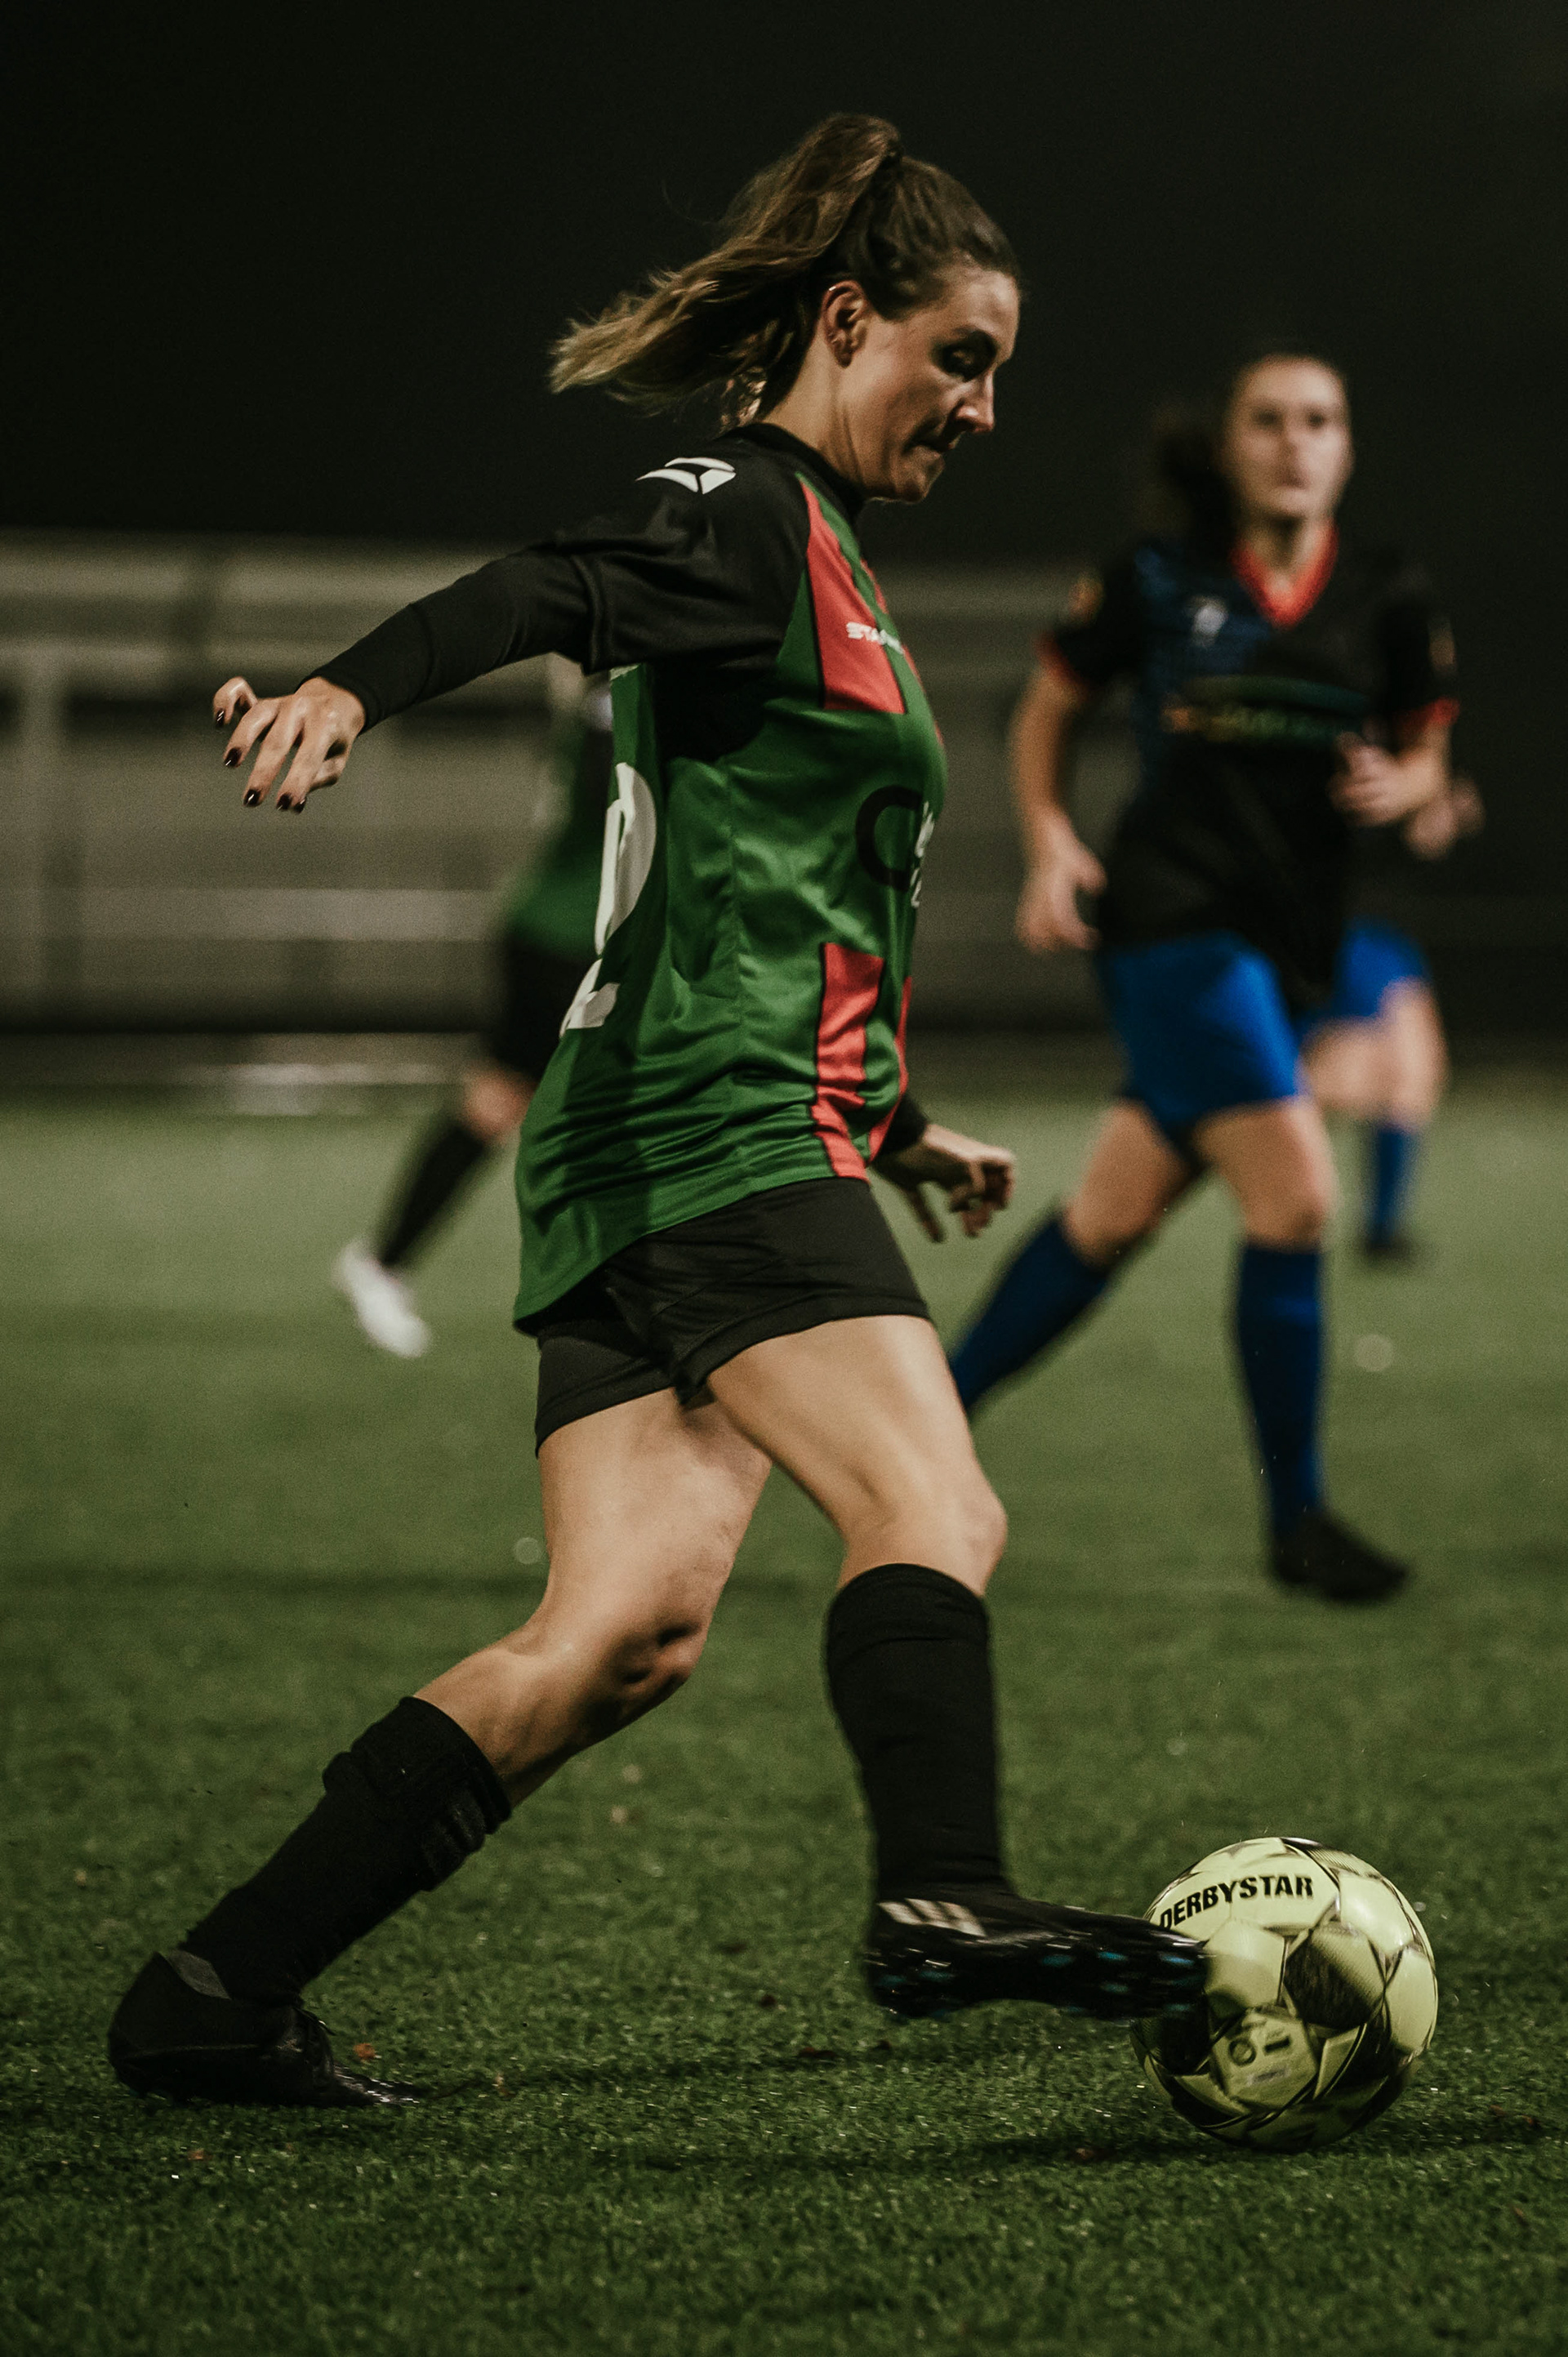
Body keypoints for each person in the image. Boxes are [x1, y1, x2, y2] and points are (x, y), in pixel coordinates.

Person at [109, 116, 1206, 2110]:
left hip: (660, 1131)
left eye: (999, 372)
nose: (983, 404)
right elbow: (545, 582)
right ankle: (944, 1894)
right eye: (959, 357)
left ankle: (216, 1990)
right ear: (849, 321)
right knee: (936, 1508)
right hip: (714, 1129)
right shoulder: (749, 509)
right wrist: (348, 688)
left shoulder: (828, 559)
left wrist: (896, 1124)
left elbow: (774, 899)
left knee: (618, 1633)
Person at [950, 354, 1459, 1606]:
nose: (1295, 441)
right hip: (1173, 930)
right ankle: (1298, 1519)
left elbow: (1430, 759)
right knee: (1297, 1199)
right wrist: (1051, 841)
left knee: (1109, 1218)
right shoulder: (1157, 578)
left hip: (1288, 954)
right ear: (1230, 448)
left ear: (1347, 447)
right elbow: (1043, 709)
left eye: (1319, 420)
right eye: (1269, 420)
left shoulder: (1389, 593)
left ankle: (918, 1419)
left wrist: (1407, 783)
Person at [333, 662, 606, 1357]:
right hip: (566, 939)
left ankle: (384, 1262)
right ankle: (384, 1263)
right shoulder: (617, 709)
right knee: (522, 1104)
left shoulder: (609, 705)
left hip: (567, 932)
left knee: (518, 1104)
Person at [1302, 777, 1482, 1259]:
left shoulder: (1418, 761)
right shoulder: (1363, 763)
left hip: (1390, 939)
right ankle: (1274, 1184)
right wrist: (1421, 801)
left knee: (1412, 1078)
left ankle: (1382, 1230)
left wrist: (1437, 801)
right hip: (1353, 932)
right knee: (1340, 1083)